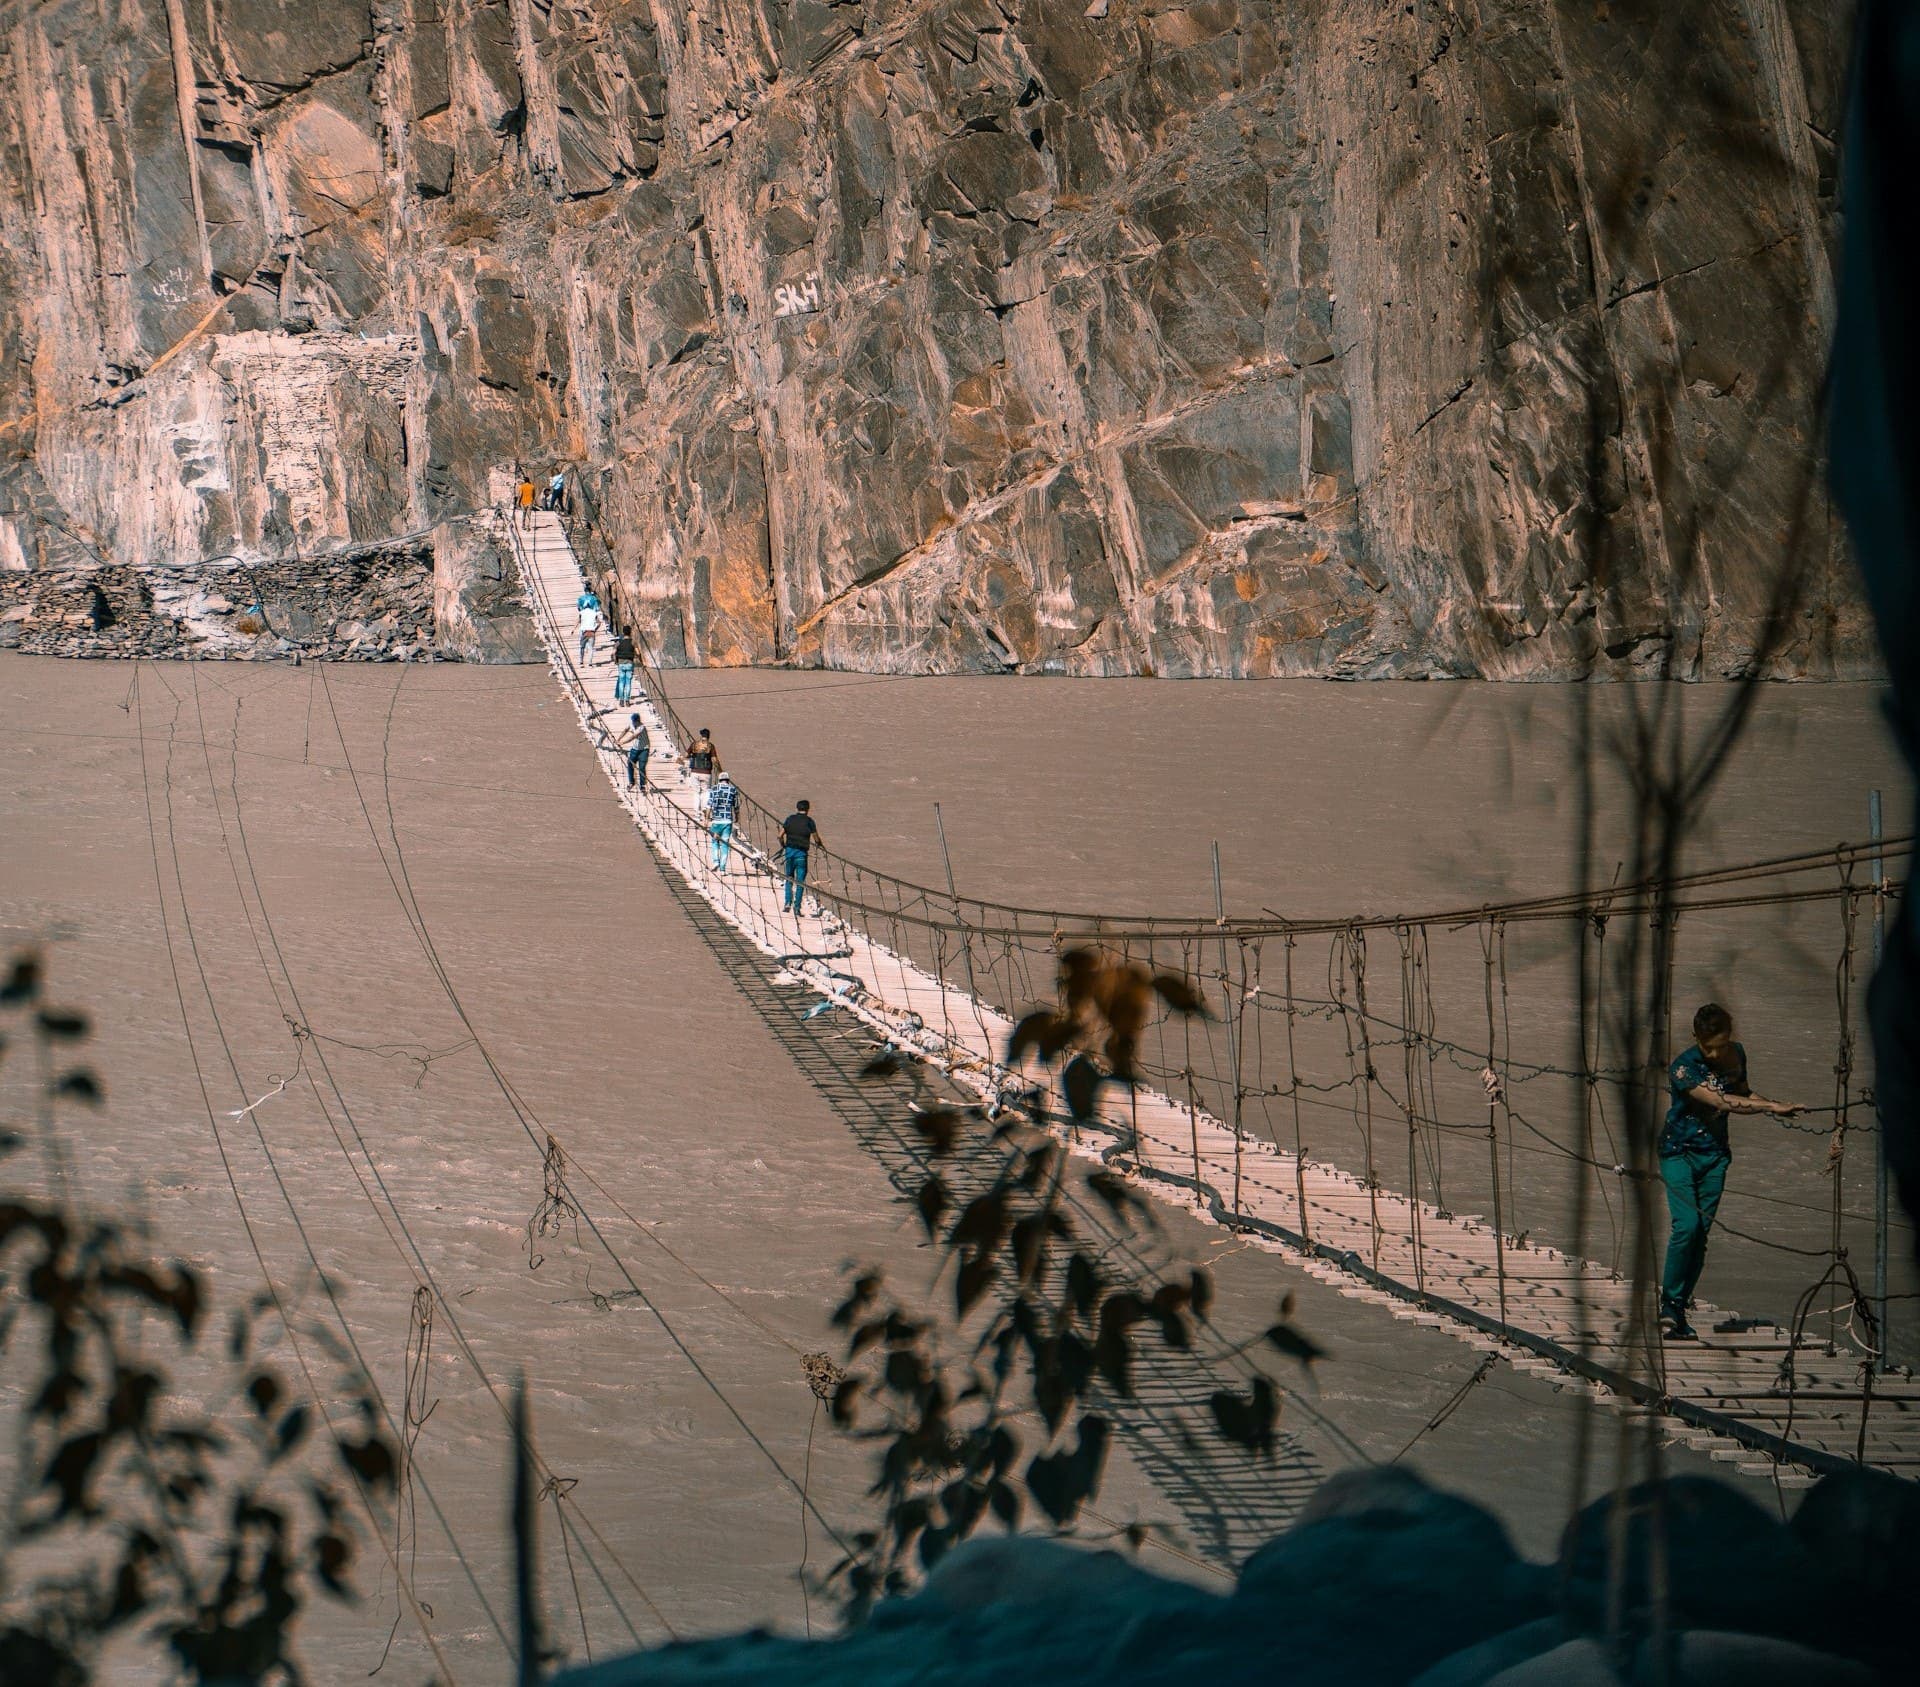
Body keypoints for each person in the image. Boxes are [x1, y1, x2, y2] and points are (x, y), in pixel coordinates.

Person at [1658, 1002, 1802, 1340]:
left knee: (1701, 1236)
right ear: (1695, 1038)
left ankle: (1677, 1312)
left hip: (1715, 1156)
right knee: (1687, 1226)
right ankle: (1668, 1303)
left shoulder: (1736, 1054)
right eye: (1708, 1046)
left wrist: (1773, 1106)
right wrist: (1769, 1106)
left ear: (1729, 1038)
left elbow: (1741, 1093)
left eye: (1720, 1045)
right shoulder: (1683, 1067)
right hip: (1678, 1152)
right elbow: (1721, 1101)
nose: (1714, 1053)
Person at [780, 799, 821, 914]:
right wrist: (820, 845)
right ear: (808, 809)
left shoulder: (790, 819)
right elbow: (816, 838)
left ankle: (787, 903)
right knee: (800, 881)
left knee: (789, 878)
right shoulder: (809, 821)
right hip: (801, 855)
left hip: (789, 854)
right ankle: (797, 907)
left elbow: (779, 835)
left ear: (797, 808)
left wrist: (783, 845)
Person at [704, 771, 739, 871]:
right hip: (727, 821)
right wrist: (737, 817)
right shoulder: (733, 790)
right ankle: (723, 868)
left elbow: (709, 805)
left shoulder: (714, 789)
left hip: (716, 820)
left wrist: (706, 819)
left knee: (715, 842)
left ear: (719, 780)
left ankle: (716, 862)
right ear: (728, 780)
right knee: (725, 844)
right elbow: (736, 807)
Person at [616, 711, 650, 790]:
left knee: (641, 767)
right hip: (635, 749)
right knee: (630, 764)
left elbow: (633, 736)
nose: (633, 723)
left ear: (638, 721)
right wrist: (618, 739)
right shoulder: (631, 724)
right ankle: (631, 782)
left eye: (634, 721)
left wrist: (622, 743)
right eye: (632, 721)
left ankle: (642, 785)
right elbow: (625, 730)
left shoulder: (641, 727)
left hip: (644, 749)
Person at [576, 587, 602, 665]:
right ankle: (590, 662)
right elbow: (597, 608)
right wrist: (595, 629)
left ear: (585, 591)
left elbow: (578, 607)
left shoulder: (581, 598)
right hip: (592, 630)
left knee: (581, 646)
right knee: (591, 648)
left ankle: (581, 660)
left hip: (584, 630)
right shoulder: (594, 598)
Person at [611, 630, 637, 702]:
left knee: (621, 682)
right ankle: (627, 700)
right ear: (630, 633)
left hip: (621, 664)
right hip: (629, 664)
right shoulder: (633, 642)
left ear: (623, 633)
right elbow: (637, 653)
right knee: (628, 682)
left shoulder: (618, 642)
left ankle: (621, 700)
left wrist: (615, 661)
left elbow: (613, 653)